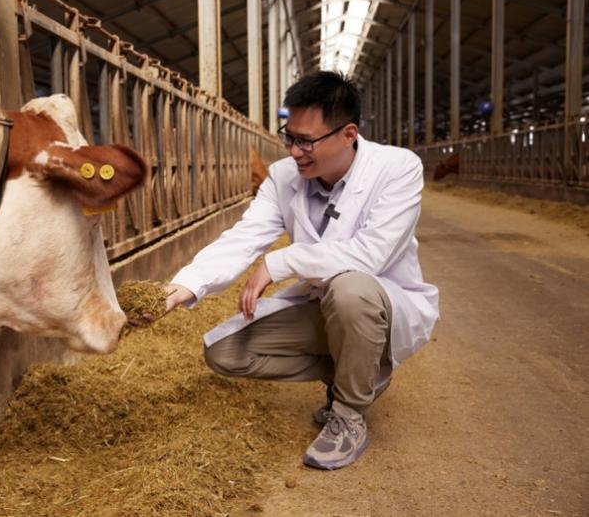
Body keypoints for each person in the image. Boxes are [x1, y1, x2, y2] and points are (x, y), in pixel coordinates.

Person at [164, 71, 439, 470]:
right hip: (320, 304)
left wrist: (280, 262)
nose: (294, 152)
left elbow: (370, 256)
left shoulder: (397, 168)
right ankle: (359, 371)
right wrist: (185, 285)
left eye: (307, 141)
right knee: (224, 353)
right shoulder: (283, 176)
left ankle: (347, 414)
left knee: (351, 289)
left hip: (376, 305)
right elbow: (245, 236)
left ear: (348, 134)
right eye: (289, 137)